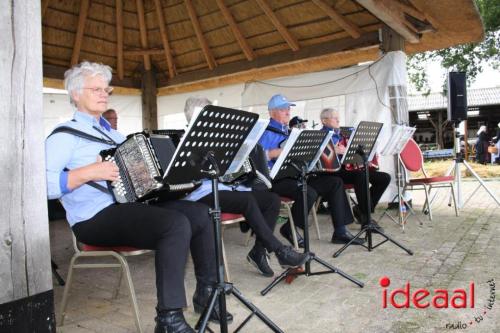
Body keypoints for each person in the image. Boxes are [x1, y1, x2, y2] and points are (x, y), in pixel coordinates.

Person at [45, 62, 230, 333]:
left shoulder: (113, 134)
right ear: (75, 94)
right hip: (93, 218)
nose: (103, 93)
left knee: (201, 213)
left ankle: (207, 293)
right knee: (174, 224)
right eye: (95, 88)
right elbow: (43, 185)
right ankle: (168, 319)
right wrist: (87, 172)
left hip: (127, 207)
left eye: (105, 88)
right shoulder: (63, 136)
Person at [182, 97, 309, 278]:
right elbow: (188, 177)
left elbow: (230, 170)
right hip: (202, 193)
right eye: (210, 115)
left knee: (271, 200)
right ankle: (280, 251)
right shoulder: (184, 139)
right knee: (247, 200)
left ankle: (258, 252)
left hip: (226, 188)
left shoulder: (219, 138)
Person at [258, 94, 364, 246]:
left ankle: (340, 232)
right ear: (271, 112)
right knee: (308, 192)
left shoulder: (290, 132)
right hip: (274, 179)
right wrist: (274, 153)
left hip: (296, 175)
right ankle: (291, 228)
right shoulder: (264, 131)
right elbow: (254, 157)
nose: (288, 112)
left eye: (288, 108)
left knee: (335, 182)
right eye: (283, 109)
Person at [319, 108, 390, 228]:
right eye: (334, 117)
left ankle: (361, 209)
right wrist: (333, 151)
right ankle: (366, 218)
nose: (338, 119)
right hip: (333, 171)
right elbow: (319, 157)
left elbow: (352, 150)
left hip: (349, 168)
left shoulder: (343, 134)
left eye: (338, 116)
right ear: (324, 121)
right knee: (360, 176)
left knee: (384, 177)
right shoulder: (321, 135)